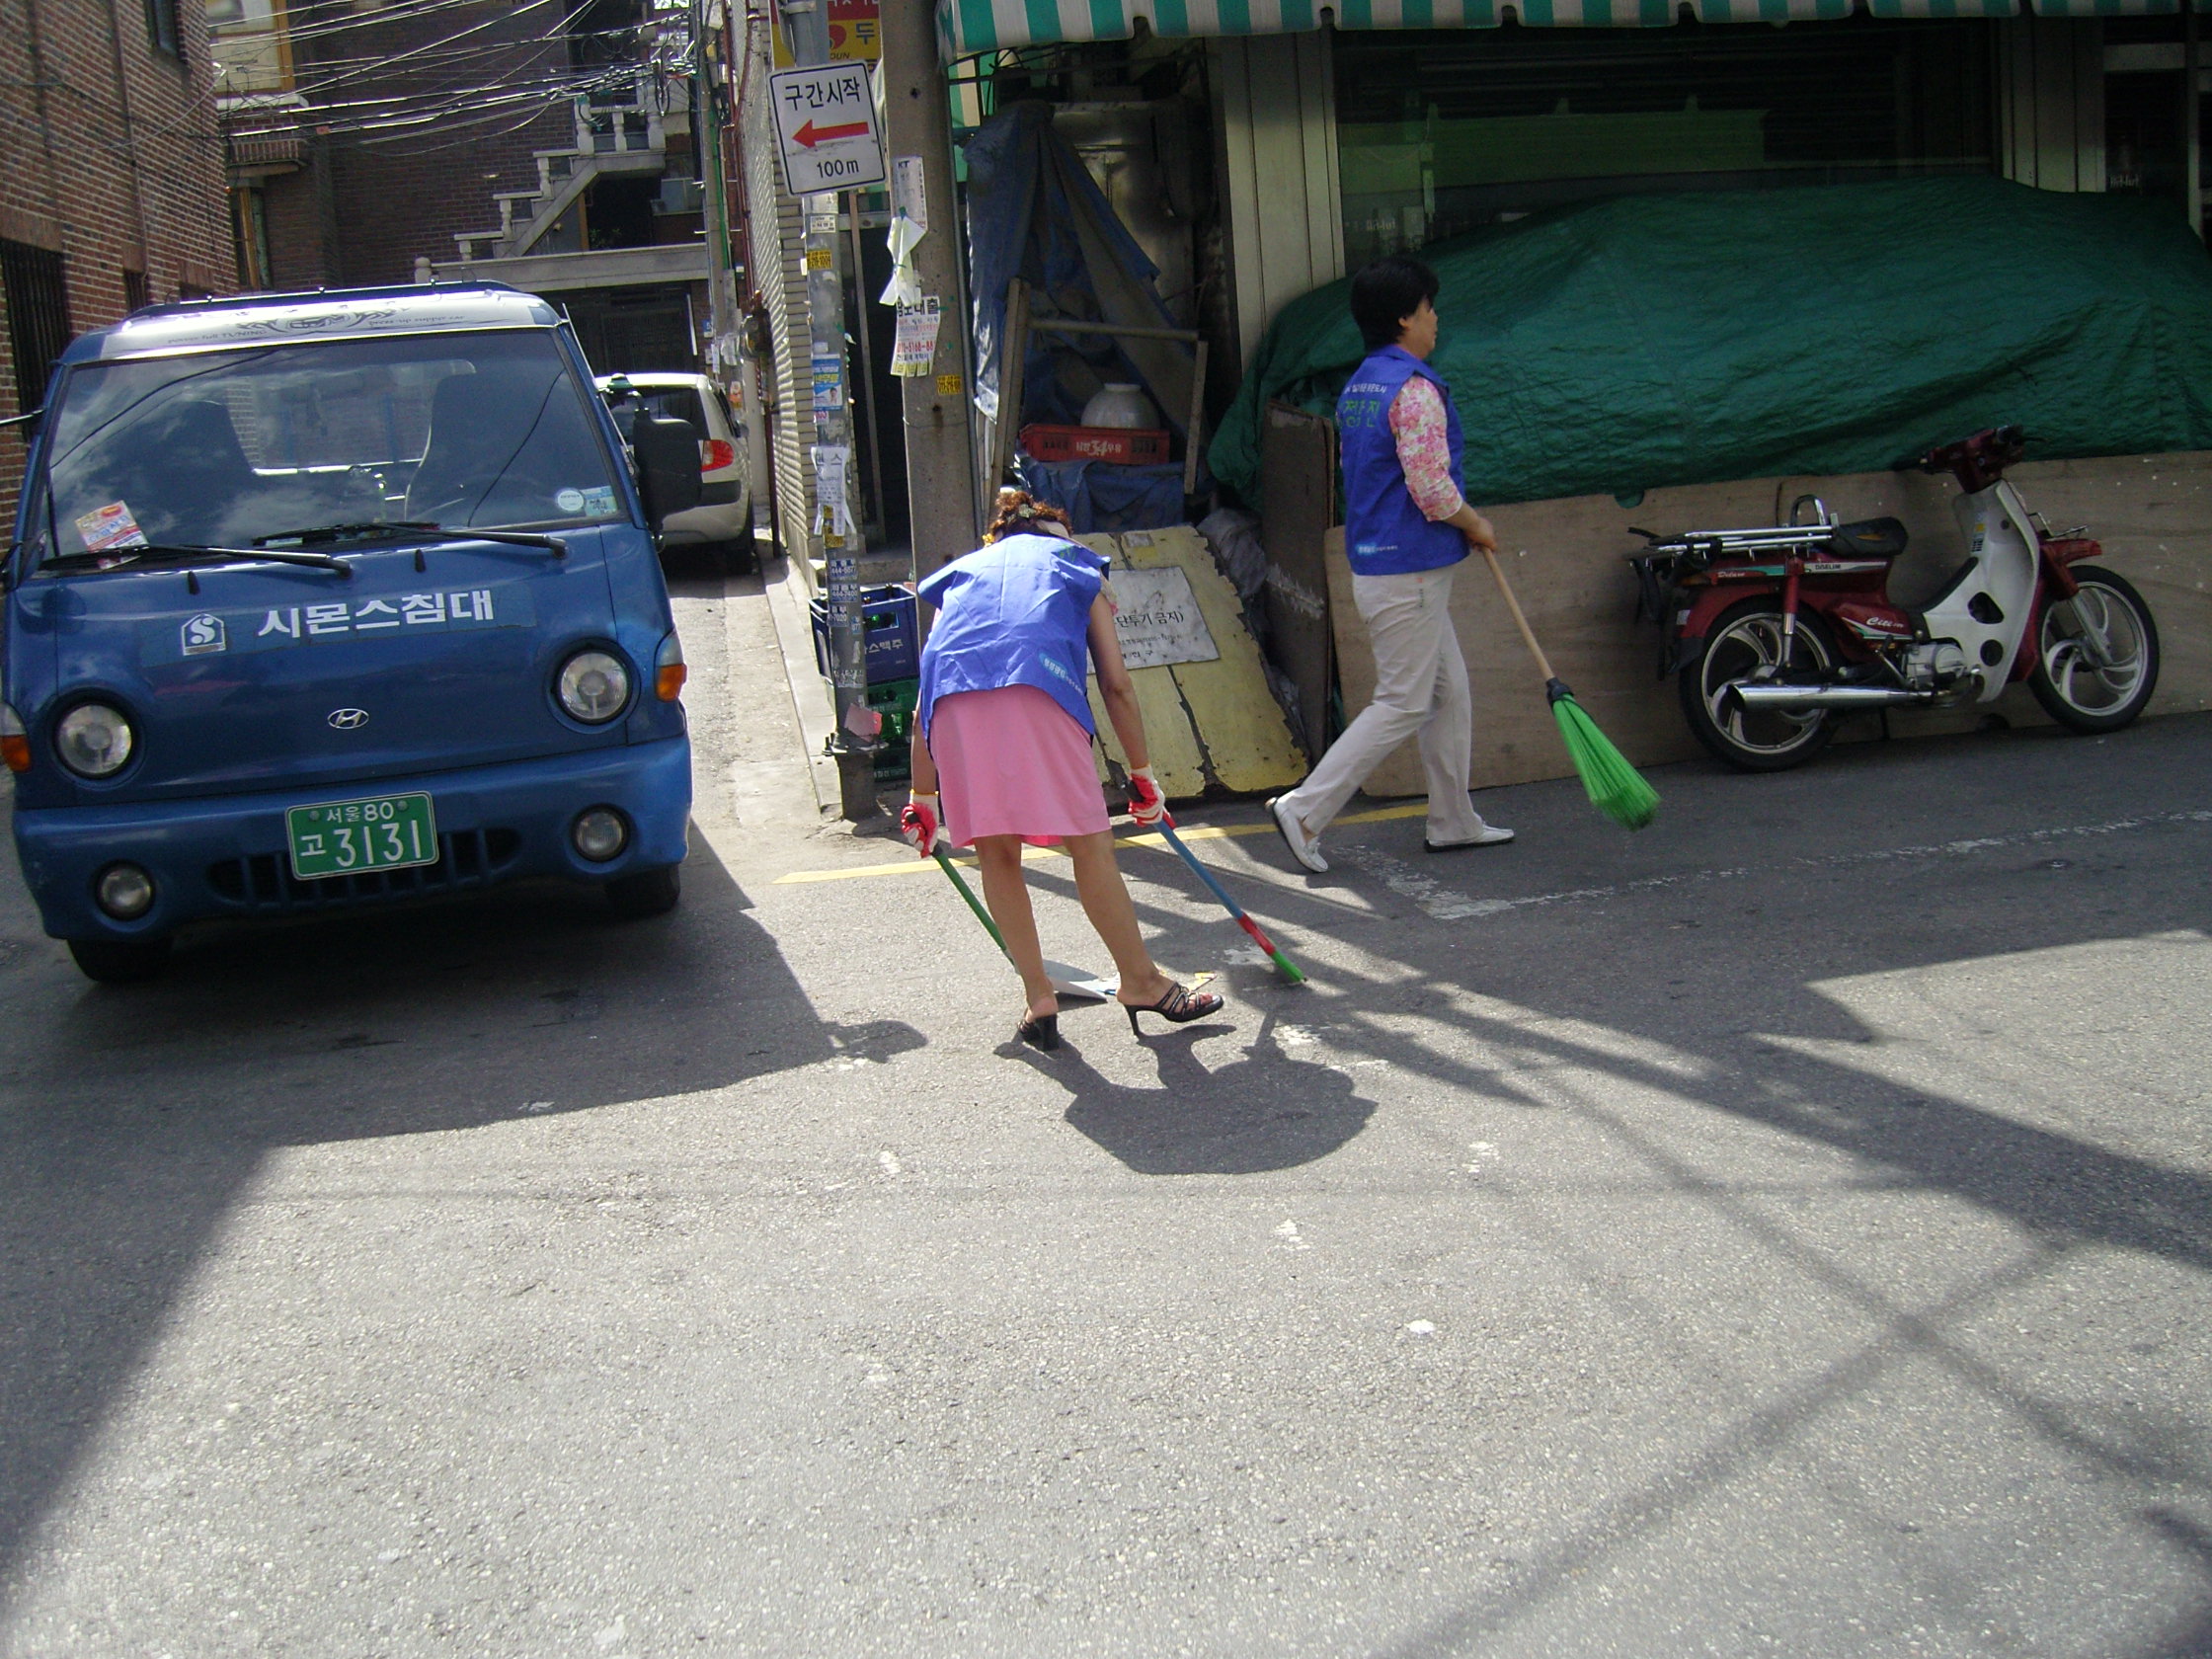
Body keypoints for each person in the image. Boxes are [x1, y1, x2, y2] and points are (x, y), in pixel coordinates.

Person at [900, 490, 1224, 1053]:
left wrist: (921, 798)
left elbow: (929, 688)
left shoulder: (965, 574)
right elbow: (1117, 684)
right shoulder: (1075, 564)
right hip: (1037, 688)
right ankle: (1141, 982)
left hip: (951, 711)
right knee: (1090, 845)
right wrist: (1143, 775)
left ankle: (1039, 998)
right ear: (1061, 533)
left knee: (998, 853)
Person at [1265, 255, 1514, 874]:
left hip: (1385, 563)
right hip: (1410, 570)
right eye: (1429, 309)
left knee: (1447, 690)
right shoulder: (1415, 388)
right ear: (1406, 317)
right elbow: (1431, 489)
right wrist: (1476, 522)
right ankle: (1304, 808)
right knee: (1404, 700)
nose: (1435, 321)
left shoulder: (1364, 382)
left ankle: (1454, 820)